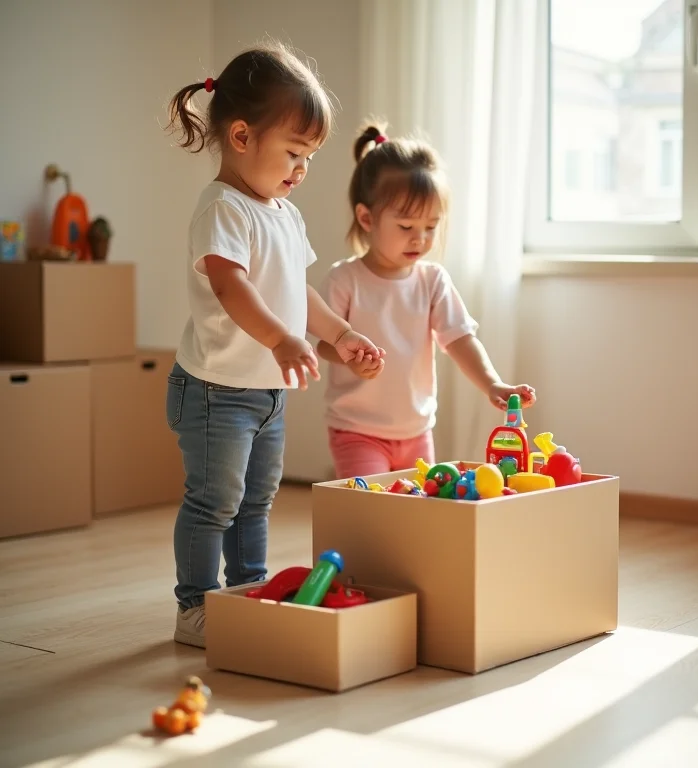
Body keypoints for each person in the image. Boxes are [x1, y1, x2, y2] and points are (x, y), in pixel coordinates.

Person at [165, 44, 384, 648]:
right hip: (213, 390)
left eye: (308, 157)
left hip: (264, 391)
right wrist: (284, 339)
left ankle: (247, 592)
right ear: (241, 135)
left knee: (256, 502)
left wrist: (340, 334)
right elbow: (233, 288)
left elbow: (297, 291)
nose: (302, 168)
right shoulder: (222, 209)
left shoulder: (283, 214)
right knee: (215, 502)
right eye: (293, 152)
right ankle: (196, 607)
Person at [317, 122, 535, 479]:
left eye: (431, 226)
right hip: (356, 430)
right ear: (366, 218)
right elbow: (322, 342)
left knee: (419, 511)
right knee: (371, 509)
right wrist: (346, 353)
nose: (420, 238)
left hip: (417, 432)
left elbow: (460, 339)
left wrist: (493, 383)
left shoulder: (432, 280)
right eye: (406, 227)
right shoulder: (345, 279)